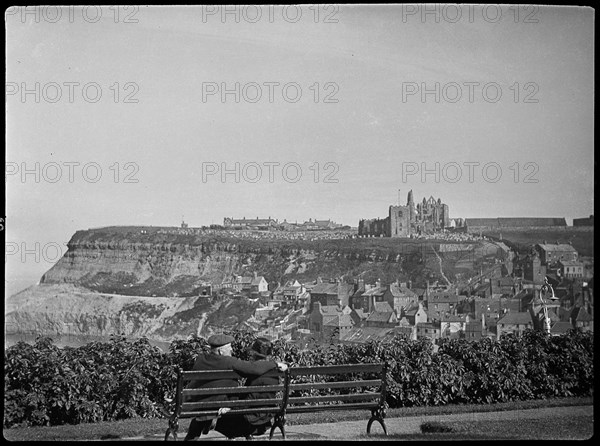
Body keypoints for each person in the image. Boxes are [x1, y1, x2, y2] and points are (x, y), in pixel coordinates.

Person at [184, 334, 288, 441]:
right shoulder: (229, 361)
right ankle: (213, 423)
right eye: (229, 348)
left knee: (199, 420)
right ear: (221, 351)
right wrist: (275, 364)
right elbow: (253, 369)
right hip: (221, 404)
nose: (232, 350)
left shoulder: (200, 359)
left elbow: (194, 384)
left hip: (200, 404)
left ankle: (193, 436)